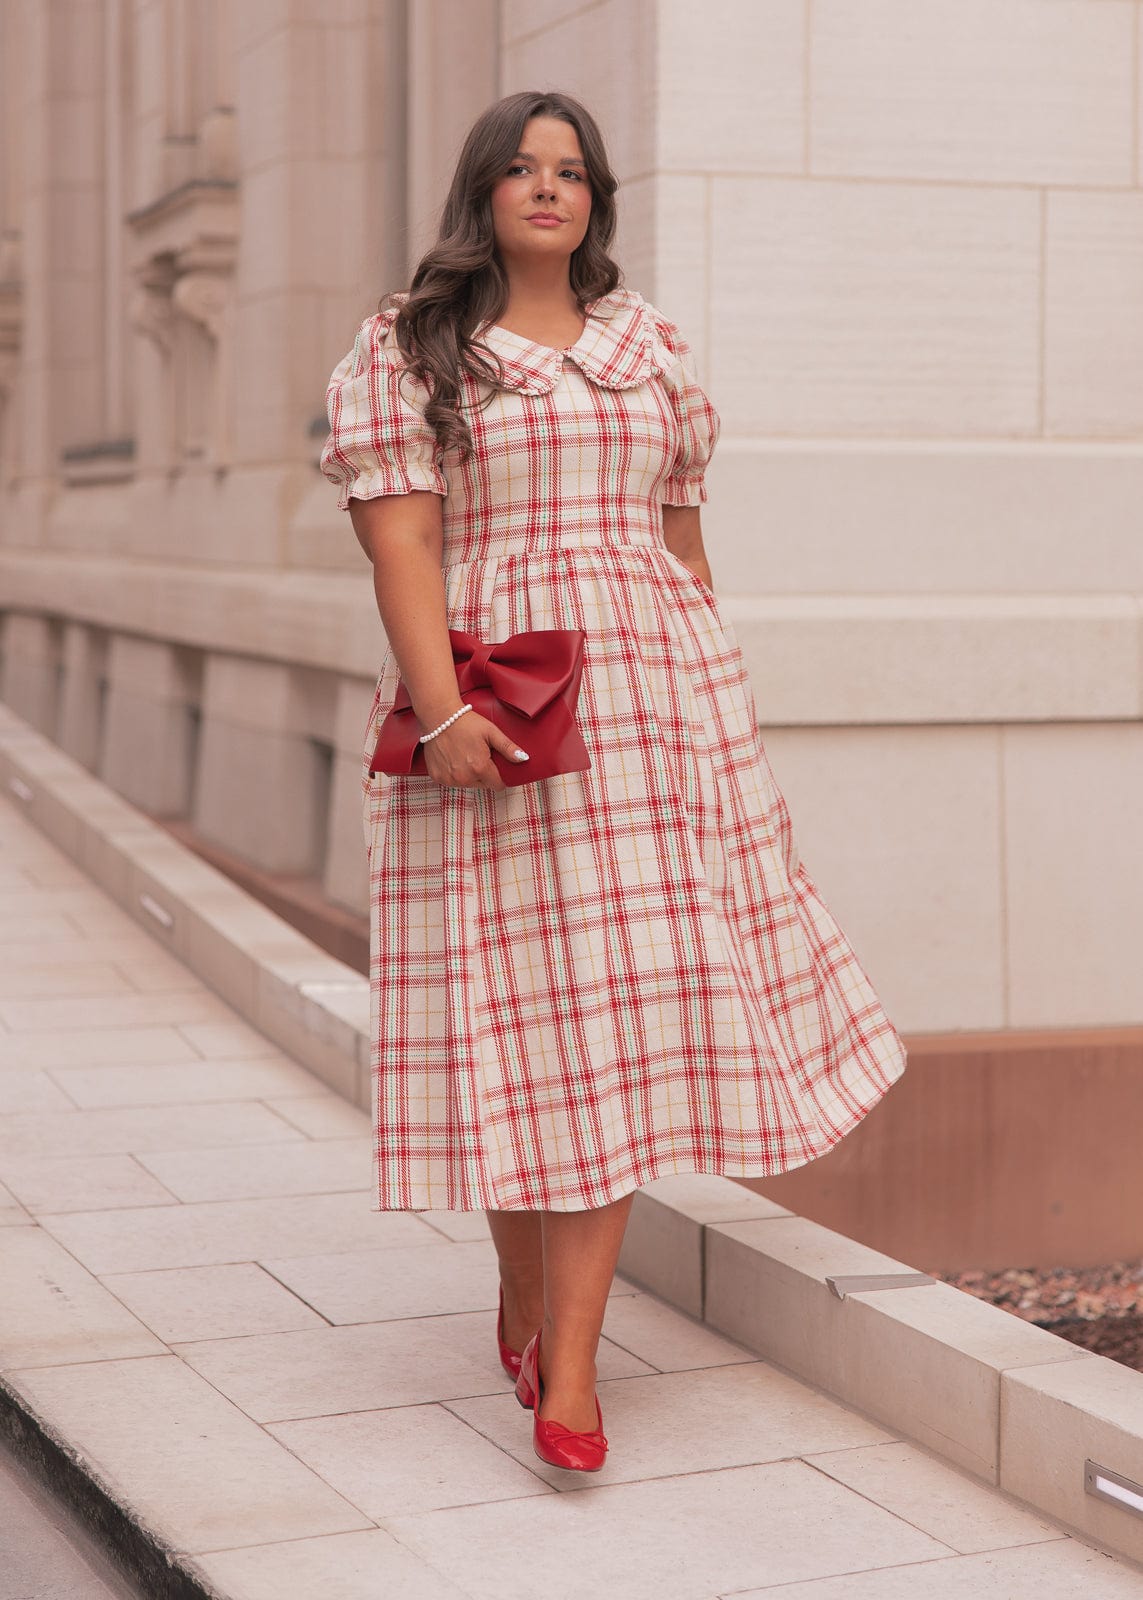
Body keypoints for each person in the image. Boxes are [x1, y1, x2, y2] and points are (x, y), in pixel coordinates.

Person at [319, 89, 908, 1474]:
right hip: (501, 705)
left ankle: (573, 1373)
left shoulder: (650, 352)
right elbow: (402, 547)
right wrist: (442, 708)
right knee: (527, 1015)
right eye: (523, 168)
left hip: (655, 717)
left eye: (572, 171)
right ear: (482, 190)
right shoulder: (414, 347)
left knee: (619, 1018)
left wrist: (717, 701)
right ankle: (523, 1298)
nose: (549, 188)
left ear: (596, 200)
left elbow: (683, 548)